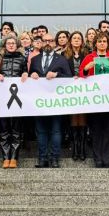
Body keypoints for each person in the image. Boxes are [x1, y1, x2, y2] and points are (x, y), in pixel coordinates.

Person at [27, 33, 73, 168]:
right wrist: (31, 74)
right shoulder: (35, 59)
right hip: (39, 102)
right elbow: (29, 76)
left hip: (56, 102)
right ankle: (42, 159)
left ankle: (54, 159)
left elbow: (69, 77)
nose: (48, 43)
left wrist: (57, 74)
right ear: (41, 42)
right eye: (45, 40)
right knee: (41, 131)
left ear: (54, 43)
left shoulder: (62, 59)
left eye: (51, 40)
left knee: (56, 131)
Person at [80, 31, 109, 168]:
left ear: (107, 43)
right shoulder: (89, 57)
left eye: (104, 41)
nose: (102, 43)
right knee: (96, 130)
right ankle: (98, 158)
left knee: (108, 130)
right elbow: (81, 76)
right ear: (95, 43)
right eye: (99, 41)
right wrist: (86, 69)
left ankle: (107, 158)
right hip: (94, 100)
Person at [0, 35, 26, 168]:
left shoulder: (22, 58)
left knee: (16, 129)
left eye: (13, 43)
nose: (11, 45)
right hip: (2, 98)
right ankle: (5, 157)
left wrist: (25, 74)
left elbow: (26, 73)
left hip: (17, 99)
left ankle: (14, 158)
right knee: (4, 129)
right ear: (5, 45)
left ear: (17, 45)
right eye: (8, 43)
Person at [64, 31, 89, 161]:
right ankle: (75, 148)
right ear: (70, 40)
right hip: (70, 91)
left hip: (85, 91)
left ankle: (83, 148)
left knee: (83, 118)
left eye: (79, 38)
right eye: (74, 38)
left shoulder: (87, 54)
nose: (76, 40)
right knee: (74, 118)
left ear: (82, 41)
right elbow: (61, 71)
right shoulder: (64, 55)